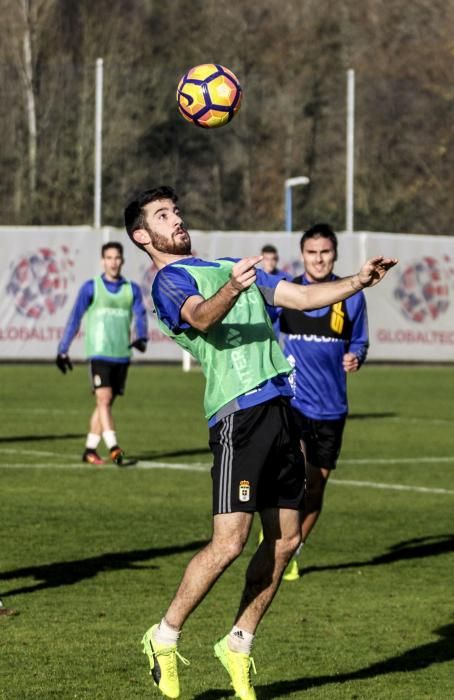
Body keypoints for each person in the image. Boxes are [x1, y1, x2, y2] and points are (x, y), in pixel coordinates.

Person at [124, 185, 397, 700]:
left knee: (286, 540)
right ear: (143, 236)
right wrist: (232, 287)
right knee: (228, 542)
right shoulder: (168, 281)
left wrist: (358, 281)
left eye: (177, 210)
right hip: (238, 417)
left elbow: (300, 296)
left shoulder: (227, 263)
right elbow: (202, 318)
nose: (176, 218)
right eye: (163, 215)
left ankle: (239, 643)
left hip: (281, 410)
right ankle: (163, 636)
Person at [279, 223, 369, 581]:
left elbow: (360, 341)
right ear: (302, 255)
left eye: (325, 252)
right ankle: (280, 532)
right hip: (294, 402)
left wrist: (356, 356)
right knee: (297, 478)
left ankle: (292, 548)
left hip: (332, 408)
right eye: (312, 252)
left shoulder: (351, 295)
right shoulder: (287, 291)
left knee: (316, 486)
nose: (318, 259)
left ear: (334, 255)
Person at [56, 242, 148, 465]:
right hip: (99, 353)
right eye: (109, 258)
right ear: (102, 261)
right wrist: (63, 349)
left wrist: (142, 337)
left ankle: (89, 450)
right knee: (104, 399)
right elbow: (75, 318)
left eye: (117, 258)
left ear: (122, 261)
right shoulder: (91, 287)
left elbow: (141, 315)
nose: (113, 262)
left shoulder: (131, 289)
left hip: (122, 355)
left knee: (104, 404)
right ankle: (114, 448)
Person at [259, 245, 291, 337]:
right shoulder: (255, 277)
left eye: (273, 259)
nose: (270, 262)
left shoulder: (286, 278)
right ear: (261, 260)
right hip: (260, 319)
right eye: (267, 259)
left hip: (278, 321)